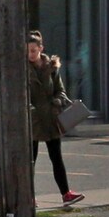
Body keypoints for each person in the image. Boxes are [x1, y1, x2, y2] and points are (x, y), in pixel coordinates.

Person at [28, 31, 85, 207]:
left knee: (56, 157)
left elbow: (61, 90)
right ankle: (28, 197)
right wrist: (30, 109)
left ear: (40, 49)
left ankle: (66, 193)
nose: (30, 54)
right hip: (33, 120)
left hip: (51, 119)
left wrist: (58, 100)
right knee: (30, 160)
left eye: (33, 50)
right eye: (27, 51)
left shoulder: (51, 67)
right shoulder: (21, 69)